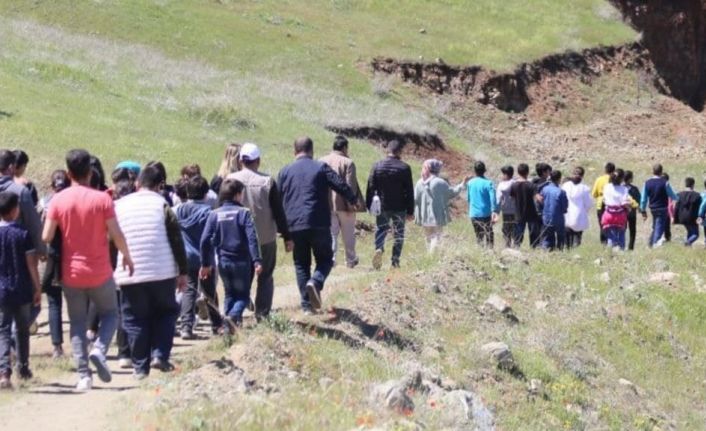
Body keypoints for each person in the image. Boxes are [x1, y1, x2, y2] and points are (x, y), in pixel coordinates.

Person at [42, 149, 134, 391]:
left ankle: (83, 376)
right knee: (111, 314)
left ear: (68, 172)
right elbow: (116, 233)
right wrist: (127, 256)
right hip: (100, 269)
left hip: (71, 271)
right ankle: (100, 348)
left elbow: (47, 235)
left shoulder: (58, 200)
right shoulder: (102, 199)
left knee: (77, 323)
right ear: (90, 172)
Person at [113, 166, 188, 378]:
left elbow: (110, 238)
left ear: (137, 183)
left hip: (130, 273)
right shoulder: (163, 205)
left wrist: (112, 268)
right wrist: (182, 271)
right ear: (160, 186)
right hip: (162, 272)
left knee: (134, 319)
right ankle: (159, 355)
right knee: (165, 313)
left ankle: (140, 367)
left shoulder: (119, 206)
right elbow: (176, 239)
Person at [279, 137, 356, 313]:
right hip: (318, 221)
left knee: (301, 264)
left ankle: (307, 307)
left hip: (294, 224)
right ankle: (316, 281)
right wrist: (352, 199)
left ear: (294, 151)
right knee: (325, 259)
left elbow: (278, 199)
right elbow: (339, 184)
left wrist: (282, 230)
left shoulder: (284, 171)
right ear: (312, 151)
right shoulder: (321, 167)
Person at [228, 143, 292, 320]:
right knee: (265, 276)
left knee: (241, 276)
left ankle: (236, 314)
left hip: (238, 238)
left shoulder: (230, 180)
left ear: (240, 161)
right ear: (258, 161)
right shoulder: (267, 181)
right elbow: (278, 212)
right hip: (265, 238)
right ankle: (262, 314)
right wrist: (287, 236)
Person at [200, 179, 262, 331]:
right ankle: (233, 316)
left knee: (229, 294)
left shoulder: (214, 214)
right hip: (241, 261)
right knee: (243, 296)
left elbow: (204, 240)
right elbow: (252, 238)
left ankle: (229, 329)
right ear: (236, 195)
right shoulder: (244, 213)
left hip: (223, 261)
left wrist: (205, 263)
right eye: (241, 194)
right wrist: (257, 260)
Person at [0, 192, 41, 389]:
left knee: (3, 331)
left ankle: (4, 372)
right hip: (22, 288)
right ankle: (23, 367)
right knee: (22, 329)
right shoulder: (23, 234)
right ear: (15, 210)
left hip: (1, 290)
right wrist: (37, 287)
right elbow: (31, 264)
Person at [176, 175, 223, 339]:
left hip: (186, 257)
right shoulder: (208, 213)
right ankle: (217, 325)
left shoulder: (179, 210)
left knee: (188, 290)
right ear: (206, 193)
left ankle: (186, 326)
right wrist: (208, 261)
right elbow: (209, 239)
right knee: (209, 291)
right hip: (205, 258)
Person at [38, 170, 71, 359]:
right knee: (77, 301)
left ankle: (57, 346)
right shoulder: (74, 202)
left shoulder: (46, 203)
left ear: (52, 186)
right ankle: (82, 340)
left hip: (53, 256)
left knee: (53, 302)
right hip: (73, 256)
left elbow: (41, 230)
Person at [366, 140, 414, 269]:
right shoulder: (404, 168)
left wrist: (369, 204)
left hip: (382, 205)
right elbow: (409, 190)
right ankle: (395, 261)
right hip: (400, 206)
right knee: (399, 233)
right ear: (400, 151)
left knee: (381, 228)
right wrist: (410, 210)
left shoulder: (377, 166)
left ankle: (379, 248)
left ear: (387, 150)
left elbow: (370, 186)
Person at [320, 136, 365, 268]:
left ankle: (331, 259)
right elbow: (350, 186)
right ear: (344, 147)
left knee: (331, 233)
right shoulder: (348, 162)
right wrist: (353, 204)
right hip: (345, 205)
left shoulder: (321, 161)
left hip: (326, 204)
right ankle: (350, 260)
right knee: (348, 234)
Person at [0, 150, 45, 258]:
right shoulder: (20, 191)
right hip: (15, 248)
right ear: (11, 167)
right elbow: (33, 222)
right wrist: (41, 249)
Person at [413, 159, 466, 252]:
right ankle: (432, 257)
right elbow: (452, 193)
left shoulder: (419, 182)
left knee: (428, 238)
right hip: (436, 216)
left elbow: (415, 199)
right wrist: (461, 185)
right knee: (436, 238)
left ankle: (428, 257)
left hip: (423, 216)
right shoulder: (440, 182)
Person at [639, 164, 678, 248]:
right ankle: (655, 244)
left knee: (656, 226)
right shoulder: (665, 183)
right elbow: (672, 195)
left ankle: (650, 243)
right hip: (662, 208)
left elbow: (643, 198)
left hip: (653, 208)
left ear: (652, 171)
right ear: (661, 171)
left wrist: (643, 210)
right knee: (659, 228)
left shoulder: (647, 183)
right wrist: (678, 198)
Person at [467, 161, 498, 248]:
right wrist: (494, 211)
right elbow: (493, 198)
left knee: (478, 235)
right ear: (485, 170)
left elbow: (468, 199)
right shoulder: (488, 183)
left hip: (474, 213)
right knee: (489, 234)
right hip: (485, 213)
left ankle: (479, 251)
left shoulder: (470, 183)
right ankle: (490, 251)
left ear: (474, 170)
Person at [511, 163, 542, 248]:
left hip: (518, 212)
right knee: (533, 233)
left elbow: (512, 198)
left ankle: (516, 248)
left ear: (518, 172)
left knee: (518, 233)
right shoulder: (532, 185)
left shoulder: (513, 185)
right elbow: (538, 198)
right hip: (531, 213)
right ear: (527, 172)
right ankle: (534, 248)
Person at [561, 167, 592, 248]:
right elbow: (588, 204)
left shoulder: (565, 185)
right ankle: (575, 251)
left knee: (567, 237)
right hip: (579, 215)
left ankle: (568, 250)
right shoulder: (584, 188)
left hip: (567, 214)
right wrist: (584, 211)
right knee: (577, 238)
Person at [601, 169, 632, 250]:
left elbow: (604, 199)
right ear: (622, 179)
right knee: (621, 234)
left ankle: (611, 252)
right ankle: (621, 250)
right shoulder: (624, 189)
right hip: (620, 215)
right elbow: (624, 203)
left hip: (608, 214)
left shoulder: (606, 187)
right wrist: (629, 208)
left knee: (611, 237)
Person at [540, 170, 568, 251]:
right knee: (561, 238)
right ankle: (559, 252)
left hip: (546, 218)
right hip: (558, 219)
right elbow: (564, 207)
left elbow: (541, 201)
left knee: (547, 238)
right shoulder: (561, 192)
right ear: (559, 179)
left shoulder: (544, 189)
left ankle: (547, 252)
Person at [591, 162, 615, 245]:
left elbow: (594, 194)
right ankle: (612, 242)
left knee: (602, 225)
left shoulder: (599, 179)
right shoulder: (614, 179)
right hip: (612, 204)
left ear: (605, 170)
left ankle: (603, 244)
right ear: (613, 170)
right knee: (612, 225)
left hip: (601, 204)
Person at [674, 177, 702, 246]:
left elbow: (676, 207)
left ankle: (688, 246)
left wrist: (674, 217)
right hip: (692, 217)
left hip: (682, 217)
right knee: (696, 234)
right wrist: (700, 216)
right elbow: (700, 207)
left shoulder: (679, 194)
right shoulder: (697, 196)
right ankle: (687, 243)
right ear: (693, 185)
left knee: (690, 231)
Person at [496, 165, 516, 248]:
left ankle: (507, 246)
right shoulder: (515, 183)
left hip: (506, 211)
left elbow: (498, 199)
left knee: (506, 229)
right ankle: (516, 246)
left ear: (505, 174)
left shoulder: (501, 185)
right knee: (514, 229)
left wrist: (496, 211)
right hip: (515, 211)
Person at [624, 171, 641, 251]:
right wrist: (640, 209)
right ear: (630, 179)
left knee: (622, 229)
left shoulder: (620, 188)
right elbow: (639, 200)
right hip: (632, 213)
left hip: (622, 212)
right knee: (632, 230)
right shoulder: (634, 189)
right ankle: (631, 247)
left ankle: (622, 244)